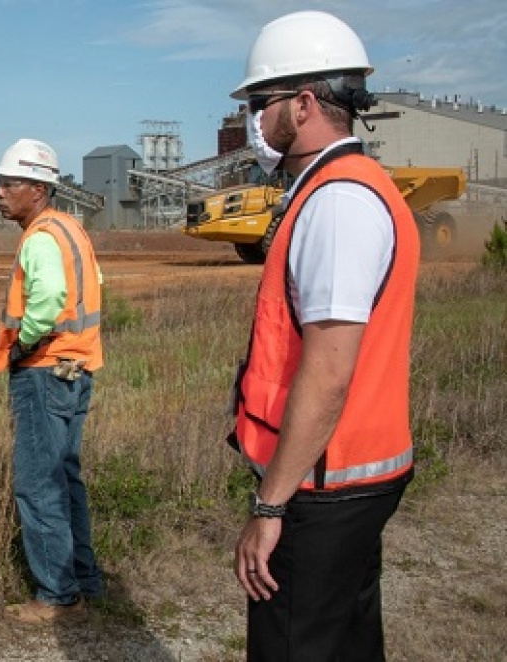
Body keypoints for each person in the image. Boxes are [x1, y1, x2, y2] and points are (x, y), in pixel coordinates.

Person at [226, 11, 419, 661]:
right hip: (352, 477)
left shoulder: (337, 202)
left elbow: (330, 371)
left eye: (260, 102)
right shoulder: (345, 189)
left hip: (323, 488)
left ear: (304, 104)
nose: (253, 118)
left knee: (297, 644)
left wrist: (270, 508)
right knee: (344, 641)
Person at [0, 138, 105, 625]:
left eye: (9, 182)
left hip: (43, 371)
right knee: (65, 478)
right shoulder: (70, 228)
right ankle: (85, 581)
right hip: (77, 370)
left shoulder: (39, 236)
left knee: (38, 484)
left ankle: (57, 597)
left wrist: (23, 344)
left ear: (37, 189)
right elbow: (95, 284)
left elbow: (51, 297)